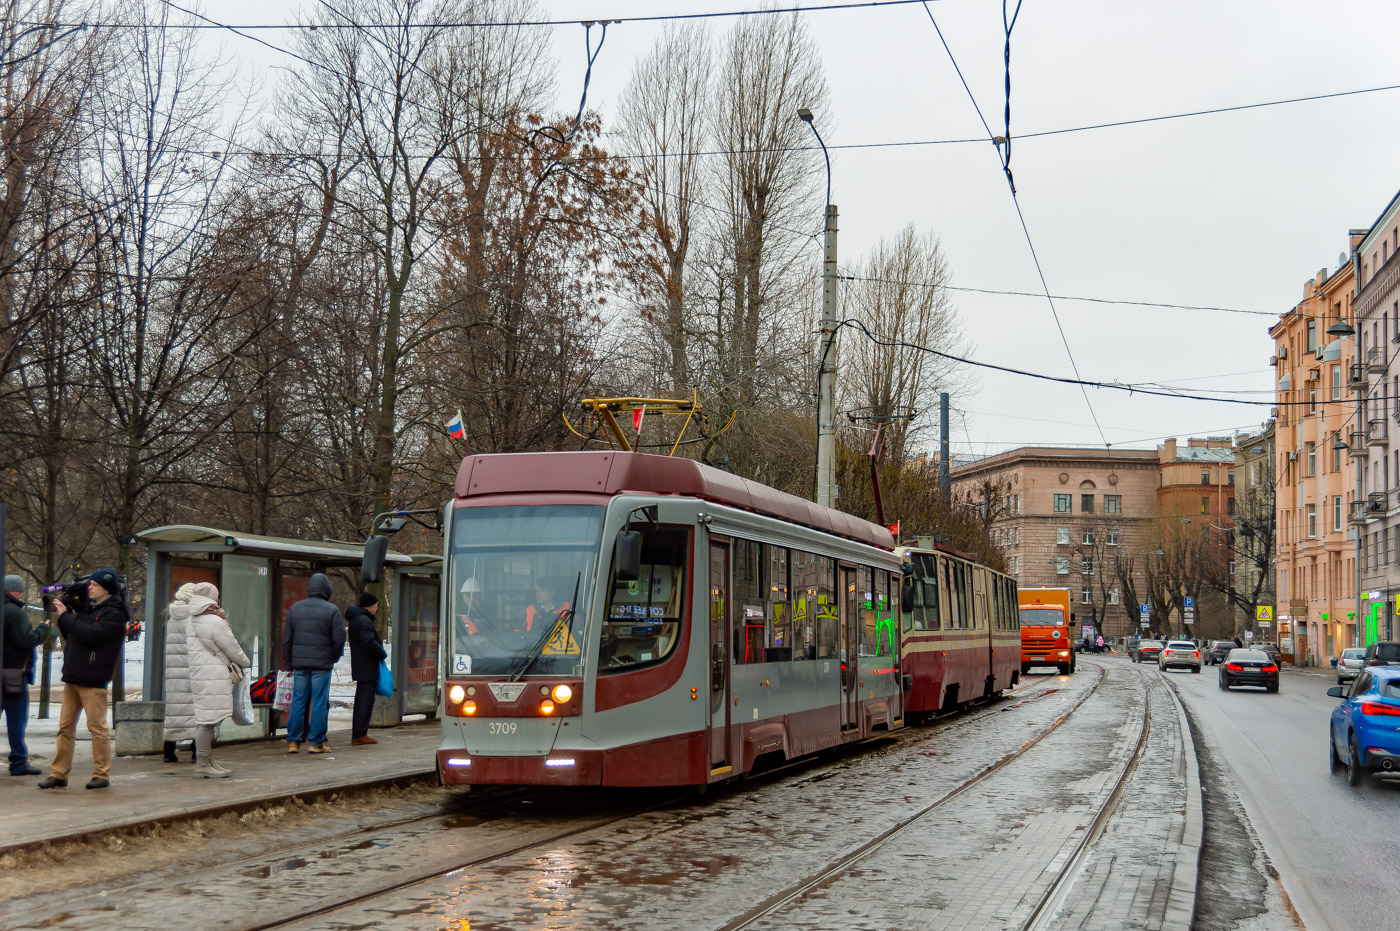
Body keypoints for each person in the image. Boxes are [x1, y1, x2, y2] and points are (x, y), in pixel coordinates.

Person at [40, 567, 128, 790]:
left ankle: (101, 773)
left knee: (97, 729)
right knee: (65, 728)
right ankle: (59, 773)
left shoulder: (114, 613)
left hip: (93, 678)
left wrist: (65, 615)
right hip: (73, 676)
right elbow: (73, 632)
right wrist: (65, 608)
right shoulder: (90, 609)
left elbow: (89, 634)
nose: (90, 587)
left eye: (94, 584)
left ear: (107, 589)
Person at [186, 583, 250, 778]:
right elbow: (232, 648)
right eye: (216, 597)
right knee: (207, 721)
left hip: (201, 674)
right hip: (213, 675)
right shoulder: (214, 621)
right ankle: (203, 764)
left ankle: (208, 761)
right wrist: (245, 661)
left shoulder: (193, 619)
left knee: (207, 719)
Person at [283, 572, 345, 754]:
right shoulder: (332, 609)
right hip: (322, 664)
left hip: (300, 664)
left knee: (299, 701)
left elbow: (288, 639)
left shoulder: (296, 608)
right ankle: (316, 742)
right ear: (327, 590)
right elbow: (339, 638)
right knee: (319, 702)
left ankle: (293, 742)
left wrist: (289, 664)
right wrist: (333, 657)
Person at [3, 574, 51, 776]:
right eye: (19, 590)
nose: (21, 594)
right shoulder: (14, 612)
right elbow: (26, 640)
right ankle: (19, 762)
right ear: (11, 591)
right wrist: (43, 629)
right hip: (13, 675)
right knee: (16, 721)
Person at [162, 583, 198, 764]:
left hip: (174, 671)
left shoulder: (171, 615)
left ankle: (169, 751)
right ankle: (195, 751)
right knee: (195, 711)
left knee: (174, 710)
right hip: (192, 669)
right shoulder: (194, 617)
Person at [346, 592, 387, 746]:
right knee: (365, 701)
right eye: (375, 605)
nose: (377, 608)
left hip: (361, 666)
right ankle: (360, 734)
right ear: (369, 606)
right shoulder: (363, 621)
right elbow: (368, 642)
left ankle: (360, 732)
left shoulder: (358, 619)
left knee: (362, 700)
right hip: (366, 667)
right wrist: (381, 653)